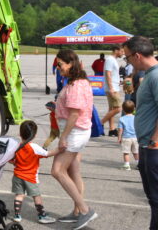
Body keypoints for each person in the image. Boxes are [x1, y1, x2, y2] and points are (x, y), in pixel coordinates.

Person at [50, 49, 97, 229]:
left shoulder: (77, 85)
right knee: (73, 171)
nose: (58, 68)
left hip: (74, 132)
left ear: (70, 63)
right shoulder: (78, 82)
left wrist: (63, 137)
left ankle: (85, 210)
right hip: (76, 131)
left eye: (60, 64)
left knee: (57, 170)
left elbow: (75, 114)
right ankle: (77, 211)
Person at [122, 36, 158, 229]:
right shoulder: (149, 74)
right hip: (147, 145)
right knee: (153, 199)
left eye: (127, 57)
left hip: (153, 147)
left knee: (156, 198)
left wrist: (154, 141)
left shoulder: (155, 75)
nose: (127, 62)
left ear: (136, 55)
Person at [11, 120, 58, 223]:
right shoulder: (34, 147)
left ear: (20, 133)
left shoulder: (16, 146)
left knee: (19, 195)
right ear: (35, 135)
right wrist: (60, 149)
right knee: (36, 196)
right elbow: (47, 154)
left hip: (17, 175)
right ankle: (42, 216)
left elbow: (11, 160)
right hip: (31, 178)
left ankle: (17, 216)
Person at [101, 45, 124, 136]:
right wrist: (111, 88)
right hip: (112, 88)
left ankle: (111, 129)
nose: (123, 53)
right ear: (116, 50)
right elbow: (108, 73)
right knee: (118, 108)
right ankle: (100, 123)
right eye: (122, 51)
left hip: (114, 86)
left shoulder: (112, 60)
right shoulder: (110, 59)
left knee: (112, 108)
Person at [118, 100, 139, 170]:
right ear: (134, 109)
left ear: (123, 109)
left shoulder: (122, 119)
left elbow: (120, 130)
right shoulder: (136, 118)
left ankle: (127, 165)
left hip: (126, 137)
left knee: (126, 152)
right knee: (136, 152)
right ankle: (138, 164)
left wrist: (119, 138)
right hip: (135, 137)